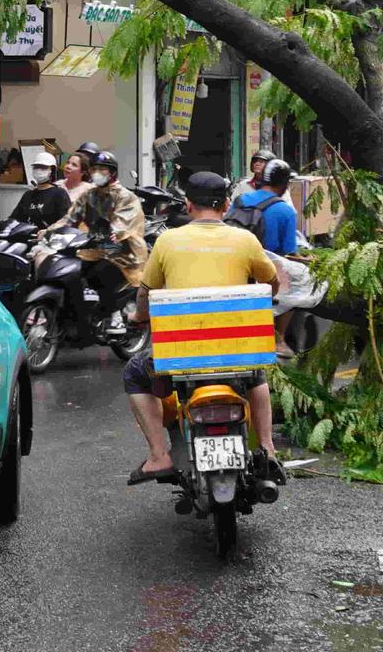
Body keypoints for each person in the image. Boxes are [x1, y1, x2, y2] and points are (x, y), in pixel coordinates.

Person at [124, 170, 286, 485]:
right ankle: (267, 448)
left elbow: (145, 294)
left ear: (188, 204)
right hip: (236, 352)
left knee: (134, 373)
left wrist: (139, 317)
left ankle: (159, 456)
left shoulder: (167, 240)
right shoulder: (245, 240)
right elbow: (272, 284)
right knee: (256, 374)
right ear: (226, 205)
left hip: (179, 356)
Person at [52, 150, 149, 342]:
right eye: (94, 169)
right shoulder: (89, 195)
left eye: (102, 169)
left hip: (124, 252)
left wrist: (114, 231)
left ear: (112, 173)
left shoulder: (126, 197)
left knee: (99, 274)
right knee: (69, 271)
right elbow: (69, 218)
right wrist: (48, 231)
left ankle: (115, 317)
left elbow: (122, 223)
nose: (97, 173)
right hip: (95, 249)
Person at [224, 159, 303, 355]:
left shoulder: (240, 201)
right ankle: (279, 339)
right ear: (284, 184)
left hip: (233, 264)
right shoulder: (285, 211)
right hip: (265, 269)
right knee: (295, 282)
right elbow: (288, 253)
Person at [16, 149, 72, 227]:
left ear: (52, 170)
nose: (39, 170)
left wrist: (47, 231)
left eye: (43, 167)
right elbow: (16, 220)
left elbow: (66, 222)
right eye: (36, 167)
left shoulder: (59, 194)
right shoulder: (28, 195)